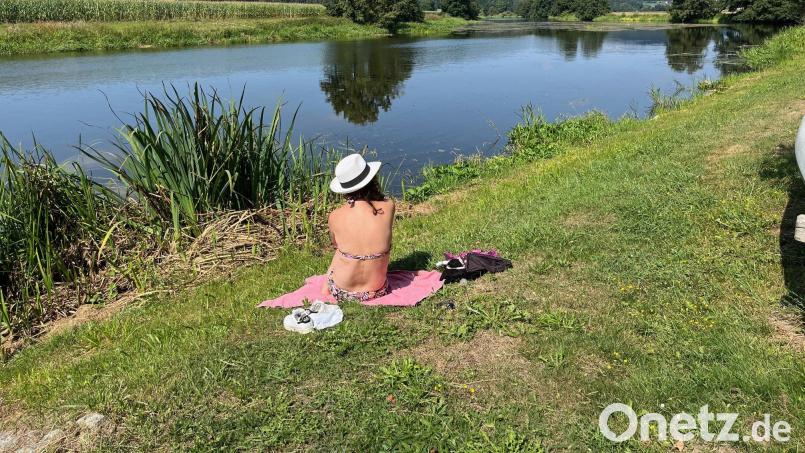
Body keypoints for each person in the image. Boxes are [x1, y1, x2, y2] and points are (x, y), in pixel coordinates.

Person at [323, 154, 395, 302]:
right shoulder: (389, 207)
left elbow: (337, 245)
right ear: (371, 179)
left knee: (340, 249)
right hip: (378, 290)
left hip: (342, 291)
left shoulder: (335, 216)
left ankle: (325, 288)